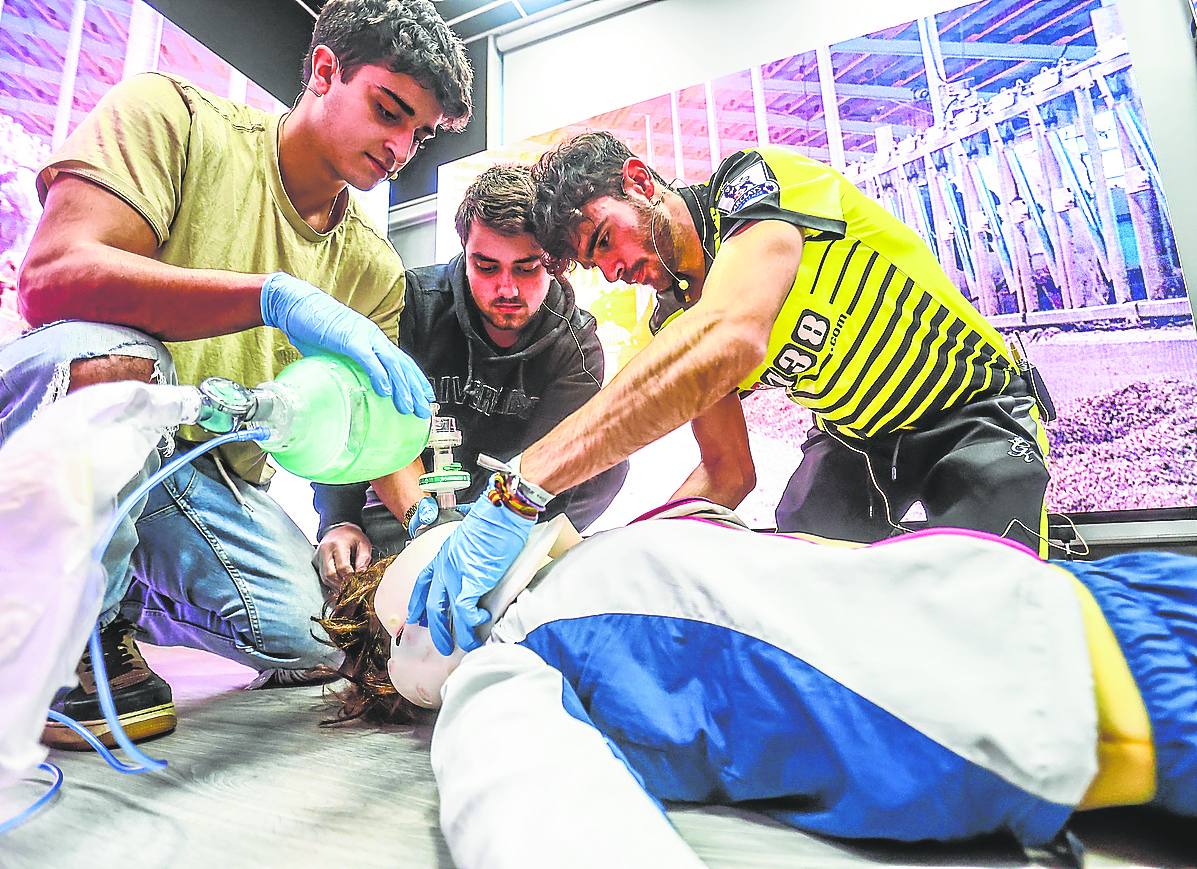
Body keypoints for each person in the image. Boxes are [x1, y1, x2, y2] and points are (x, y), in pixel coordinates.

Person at [0, 0, 472, 748]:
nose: (399, 145)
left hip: (204, 475)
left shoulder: (372, 268)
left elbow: (372, 425)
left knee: (313, 639)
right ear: (324, 70)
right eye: (389, 110)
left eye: (417, 133)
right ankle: (67, 642)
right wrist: (269, 297)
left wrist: (433, 532)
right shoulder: (174, 118)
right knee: (126, 356)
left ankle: (114, 585)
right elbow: (53, 275)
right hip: (83, 411)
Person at [408, 131, 1054, 654]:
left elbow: (732, 337)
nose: (612, 269)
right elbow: (727, 475)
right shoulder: (670, 315)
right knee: (807, 612)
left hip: (971, 409)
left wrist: (519, 487)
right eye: (594, 262)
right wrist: (619, 566)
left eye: (605, 238)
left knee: (994, 618)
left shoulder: (754, 187)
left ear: (638, 181)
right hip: (858, 438)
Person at [318, 500, 1197, 865]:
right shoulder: (515, 658)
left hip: (1091, 615)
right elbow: (535, 812)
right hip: (1095, 670)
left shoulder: (606, 562)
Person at [311, 165, 627, 590]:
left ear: (554, 261)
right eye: (487, 267)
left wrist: (486, 543)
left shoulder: (576, 347)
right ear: (463, 250)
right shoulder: (409, 306)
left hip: (509, 514)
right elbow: (352, 414)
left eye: (527, 268)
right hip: (396, 510)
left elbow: (556, 472)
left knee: (608, 463)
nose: (507, 289)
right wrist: (339, 520)